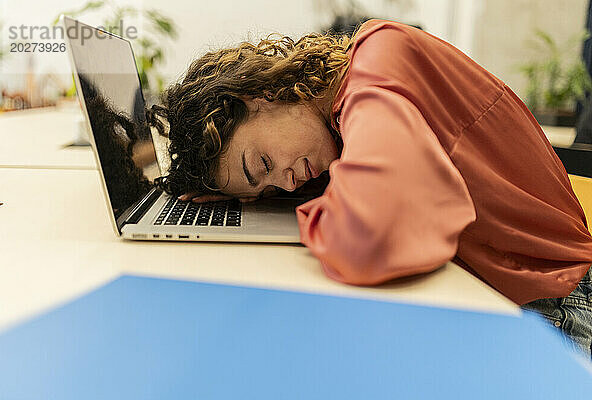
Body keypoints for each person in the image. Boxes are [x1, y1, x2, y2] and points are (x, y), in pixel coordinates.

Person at [148, 19, 592, 359]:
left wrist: (309, 213)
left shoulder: (374, 74)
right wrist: (242, 197)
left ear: (260, 93)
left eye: (261, 164)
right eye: (264, 191)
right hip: (518, 292)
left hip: (563, 308)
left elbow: (371, 236)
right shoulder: (350, 92)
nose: (282, 182)